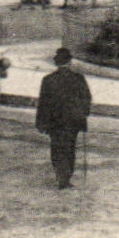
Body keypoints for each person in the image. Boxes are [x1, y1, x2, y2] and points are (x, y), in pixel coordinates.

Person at [36, 47, 93, 189]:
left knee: (56, 147)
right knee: (70, 147)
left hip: (55, 122)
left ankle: (60, 174)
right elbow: (87, 99)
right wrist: (83, 114)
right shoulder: (78, 79)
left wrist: (41, 122)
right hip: (73, 121)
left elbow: (43, 103)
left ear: (56, 63)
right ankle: (66, 177)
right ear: (70, 62)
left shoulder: (48, 80)